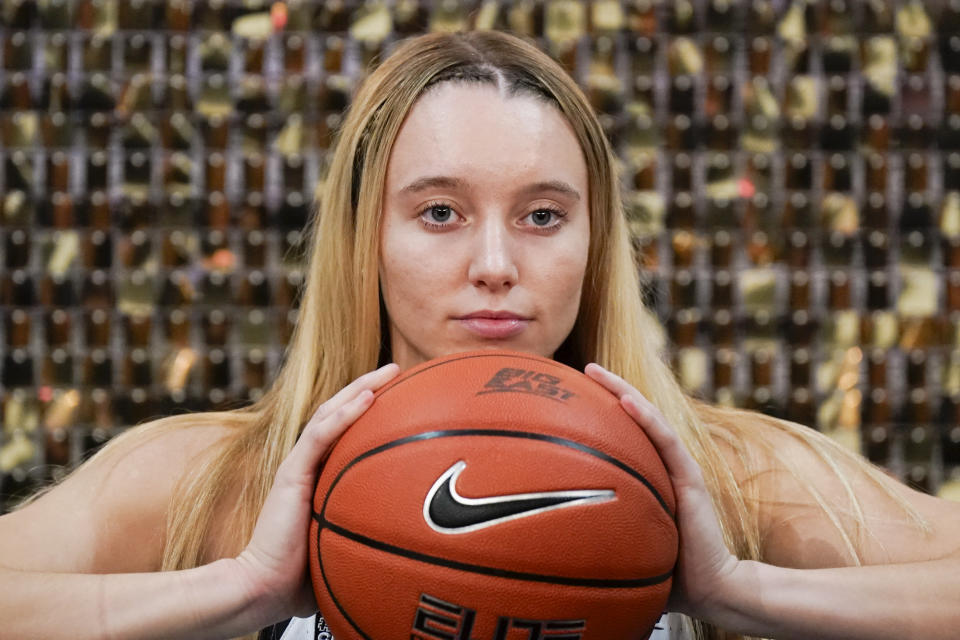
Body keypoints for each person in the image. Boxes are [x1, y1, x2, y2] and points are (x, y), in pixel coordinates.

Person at [1, 28, 958, 640]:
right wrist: (240, 590)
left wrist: (740, 590)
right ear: (365, 239)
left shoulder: (723, 478)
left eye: (543, 215)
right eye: (441, 213)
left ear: (593, 239)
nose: (496, 263)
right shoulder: (215, 479)